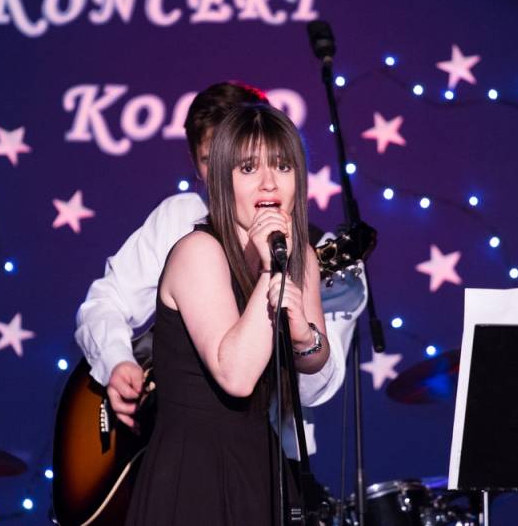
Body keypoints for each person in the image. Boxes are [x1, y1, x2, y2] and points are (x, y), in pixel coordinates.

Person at [74, 81, 366, 459]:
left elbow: (316, 388)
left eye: (247, 163)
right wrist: (117, 360)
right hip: (178, 447)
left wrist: (300, 333)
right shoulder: (181, 220)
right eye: (210, 161)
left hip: (276, 453)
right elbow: (106, 301)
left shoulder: (311, 251)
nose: (222, 177)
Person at [125, 103, 322, 525]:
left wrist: (305, 337)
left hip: (261, 463)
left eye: (283, 166)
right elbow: (236, 376)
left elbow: (314, 358)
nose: (269, 182)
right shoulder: (198, 252)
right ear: (221, 180)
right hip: (192, 472)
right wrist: (271, 270)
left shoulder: (300, 253)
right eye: (249, 168)